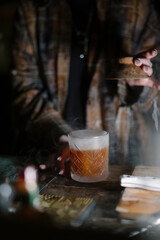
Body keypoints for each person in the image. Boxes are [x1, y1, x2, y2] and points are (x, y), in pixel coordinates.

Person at [11, 0, 160, 176]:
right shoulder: (31, 10)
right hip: (56, 161)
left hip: (123, 163)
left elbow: (154, 90)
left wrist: (139, 86)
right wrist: (63, 138)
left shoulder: (136, 7)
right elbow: (26, 90)